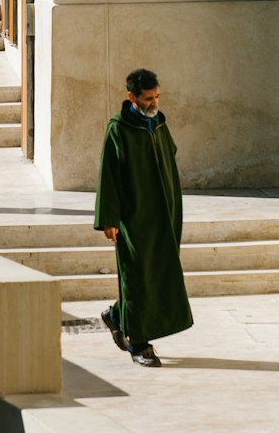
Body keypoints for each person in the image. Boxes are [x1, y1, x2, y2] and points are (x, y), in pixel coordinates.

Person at [94, 67, 193, 367]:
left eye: (157, 97)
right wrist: (109, 218)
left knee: (156, 273)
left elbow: (168, 158)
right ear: (131, 97)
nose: (154, 103)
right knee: (136, 276)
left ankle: (115, 315)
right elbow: (108, 176)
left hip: (164, 213)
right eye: (148, 98)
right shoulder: (118, 130)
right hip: (133, 218)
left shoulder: (160, 124)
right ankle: (138, 344)